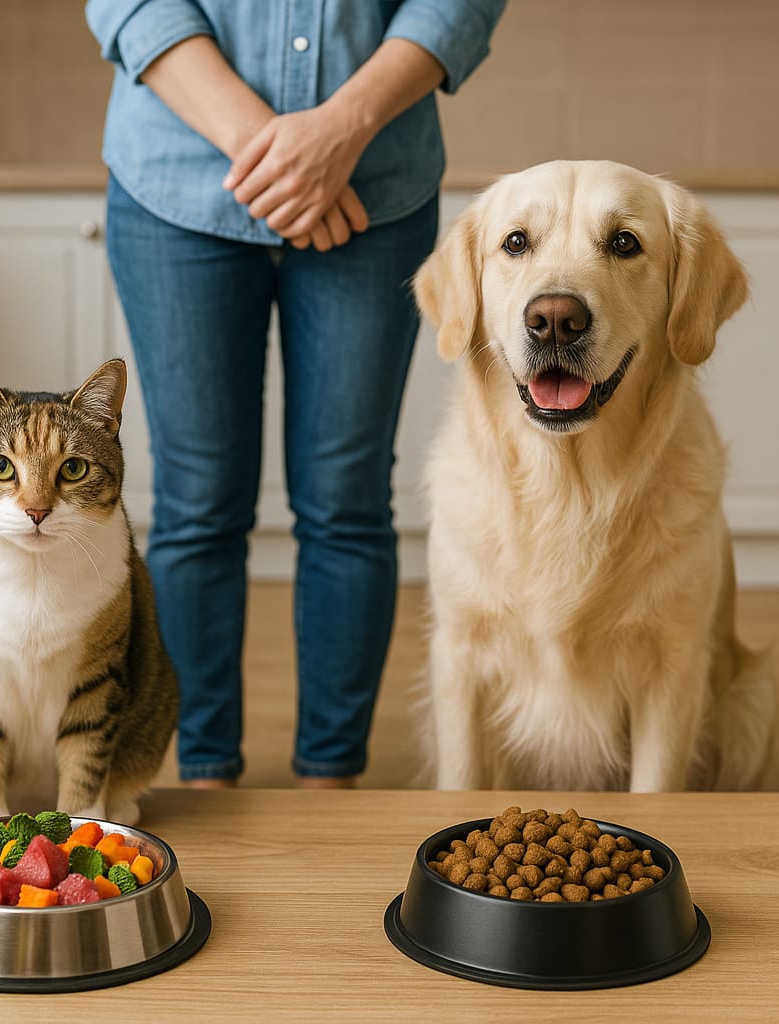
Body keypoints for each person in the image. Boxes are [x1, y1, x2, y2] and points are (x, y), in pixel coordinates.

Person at [85, 0, 506, 788]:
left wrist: (341, 130)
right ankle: (202, 770)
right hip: (175, 180)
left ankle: (331, 777)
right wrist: (279, 156)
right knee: (196, 501)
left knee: (347, 499)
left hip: (374, 182)